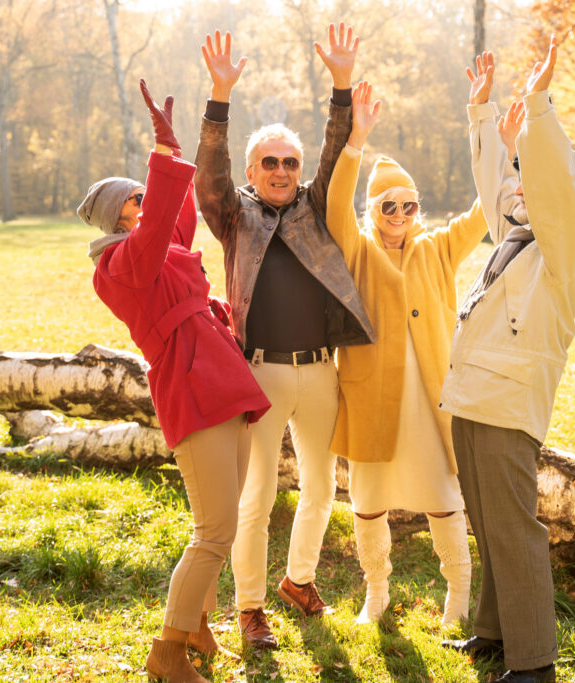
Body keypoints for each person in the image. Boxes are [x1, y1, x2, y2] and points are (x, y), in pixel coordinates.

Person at [77, 80, 270, 683]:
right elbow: (162, 224)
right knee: (213, 531)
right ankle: (167, 650)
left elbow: (176, 216)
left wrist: (176, 148)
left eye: (143, 193)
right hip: (191, 387)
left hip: (221, 375)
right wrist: (162, 156)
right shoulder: (119, 266)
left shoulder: (162, 250)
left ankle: (197, 624)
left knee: (226, 518)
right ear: (120, 215)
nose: (144, 199)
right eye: (134, 197)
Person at [193, 26, 375, 649]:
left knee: (323, 487)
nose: (280, 170)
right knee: (257, 495)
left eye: (288, 162)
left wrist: (342, 85)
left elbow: (335, 148)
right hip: (261, 375)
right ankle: (249, 608)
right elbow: (207, 178)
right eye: (268, 162)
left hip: (320, 372)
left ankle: (298, 580)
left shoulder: (314, 208)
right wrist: (220, 97)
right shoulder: (234, 217)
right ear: (252, 170)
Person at [438, 41, 575, 683]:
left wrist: (538, 104)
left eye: (533, 179)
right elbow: (494, 187)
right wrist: (482, 117)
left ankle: (535, 662)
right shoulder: (517, 232)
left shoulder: (570, 248)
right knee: (488, 522)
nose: (520, 187)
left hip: (509, 401)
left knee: (515, 528)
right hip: (471, 393)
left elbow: (555, 186)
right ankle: (493, 631)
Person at [324, 82, 488, 625]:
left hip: (432, 400)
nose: (400, 212)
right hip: (373, 396)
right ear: (375, 209)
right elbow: (335, 210)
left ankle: (458, 596)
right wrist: (356, 142)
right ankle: (377, 592)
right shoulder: (358, 249)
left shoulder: (436, 247)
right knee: (368, 500)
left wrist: (492, 134)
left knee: (444, 496)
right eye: (389, 204)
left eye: (409, 204)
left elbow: (484, 210)